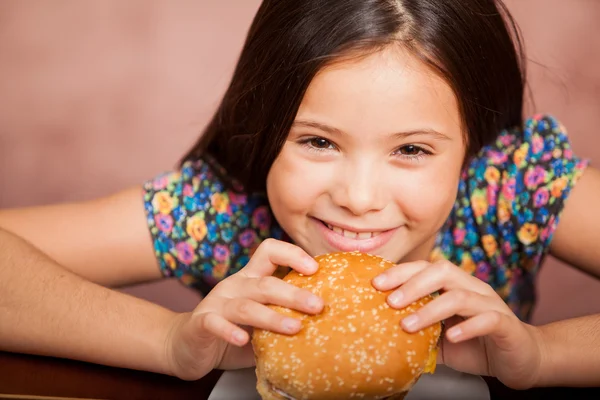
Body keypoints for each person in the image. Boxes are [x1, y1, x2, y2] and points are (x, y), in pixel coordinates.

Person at [0, 0, 599, 390]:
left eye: (412, 150)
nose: (359, 198)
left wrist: (542, 355)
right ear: (263, 128)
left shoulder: (509, 190)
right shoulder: (222, 212)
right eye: (317, 141)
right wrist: (167, 340)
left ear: (472, 146)